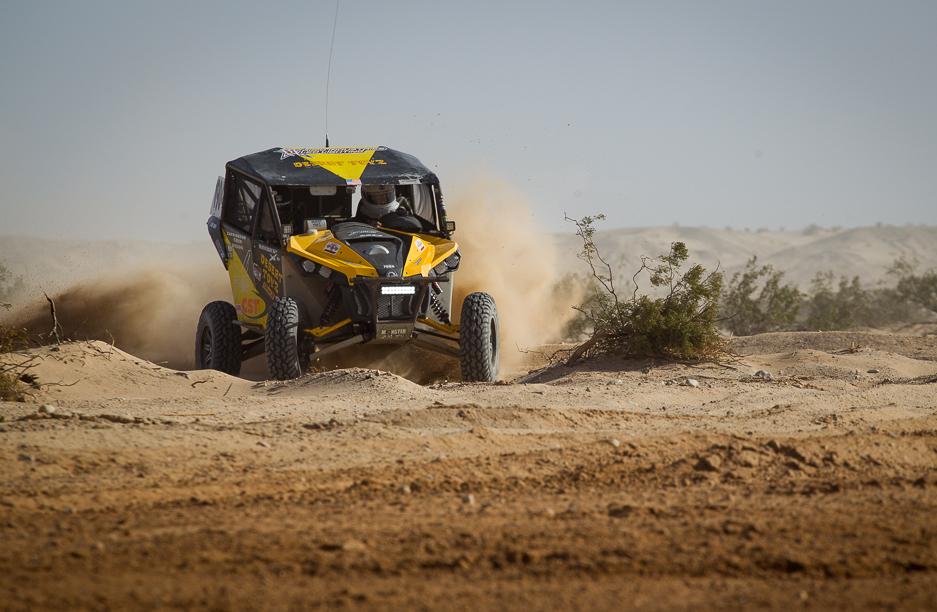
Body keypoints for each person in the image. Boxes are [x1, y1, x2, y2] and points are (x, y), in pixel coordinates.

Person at [357, 184, 422, 232]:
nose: (382, 199)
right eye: (377, 196)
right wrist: (366, 228)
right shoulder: (360, 220)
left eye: (385, 195)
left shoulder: (400, 210)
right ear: (367, 197)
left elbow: (416, 225)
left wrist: (391, 223)